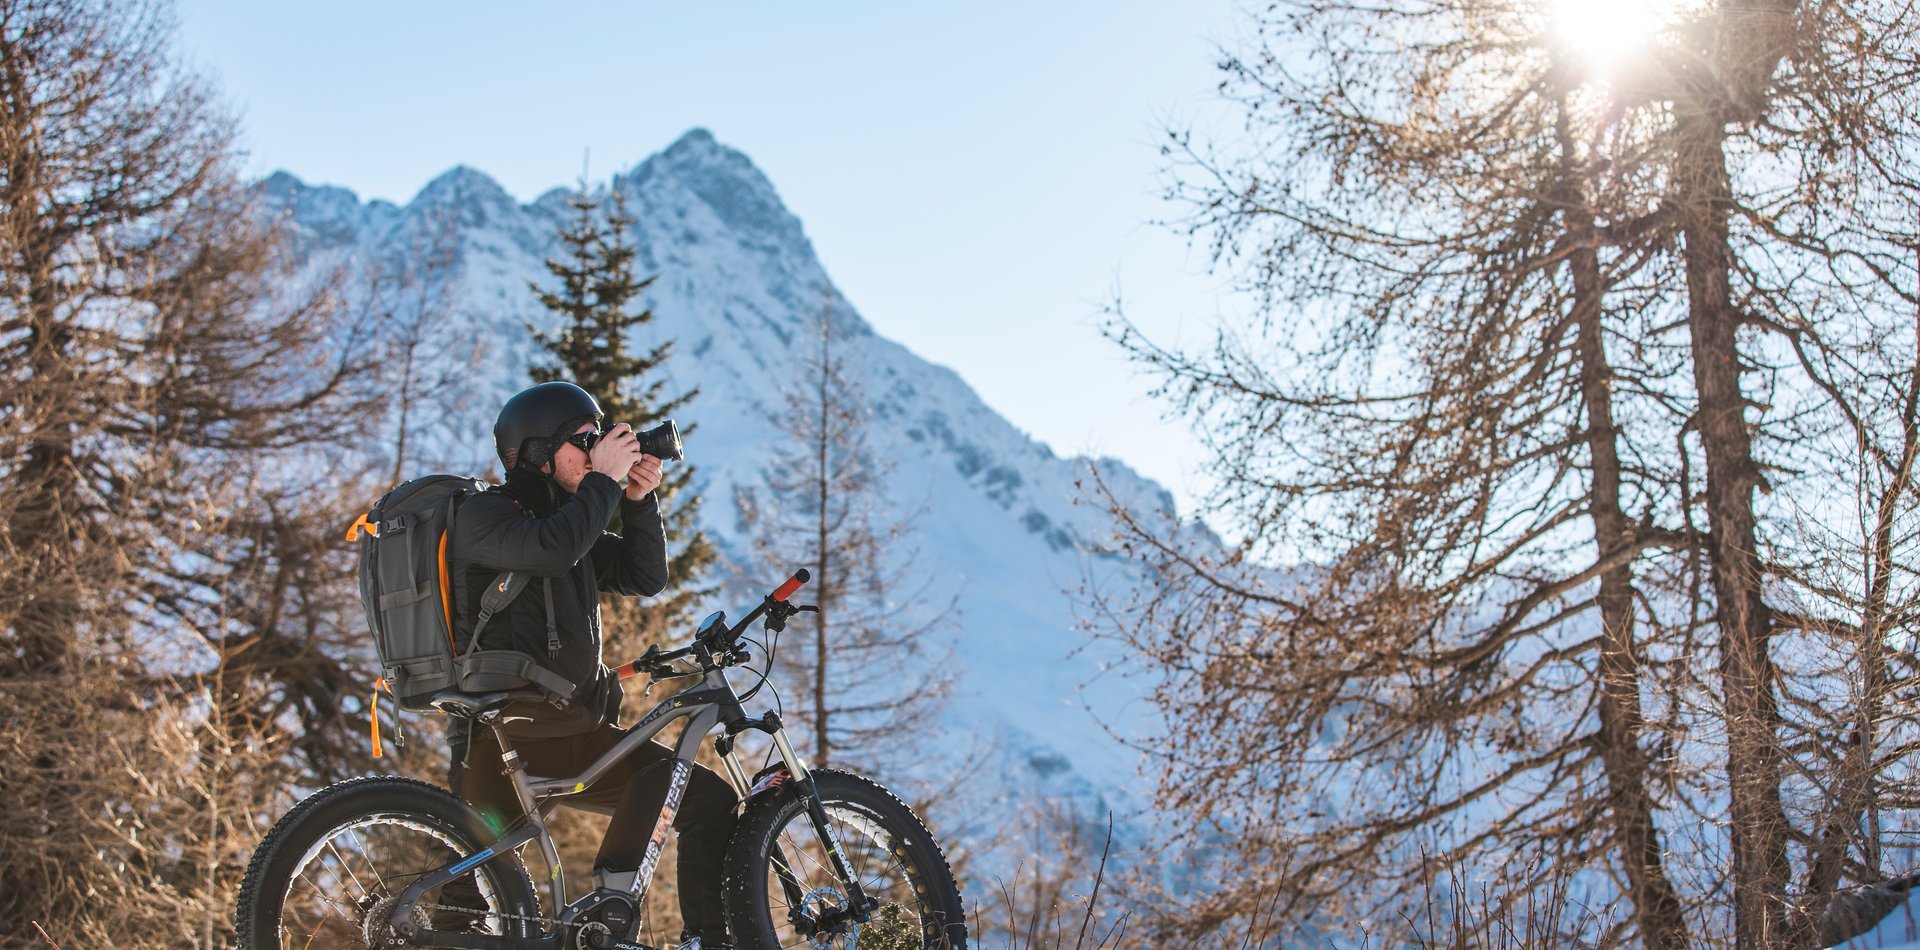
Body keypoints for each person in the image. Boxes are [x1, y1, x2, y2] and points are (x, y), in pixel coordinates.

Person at [444, 380, 738, 949]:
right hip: (506, 732)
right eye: (584, 439)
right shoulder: (489, 516)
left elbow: (642, 576)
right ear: (535, 452)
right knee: (459, 902)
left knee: (707, 800)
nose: (597, 446)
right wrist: (602, 481)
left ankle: (648, 920)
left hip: (571, 730)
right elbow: (553, 546)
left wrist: (637, 499)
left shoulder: (569, 523)